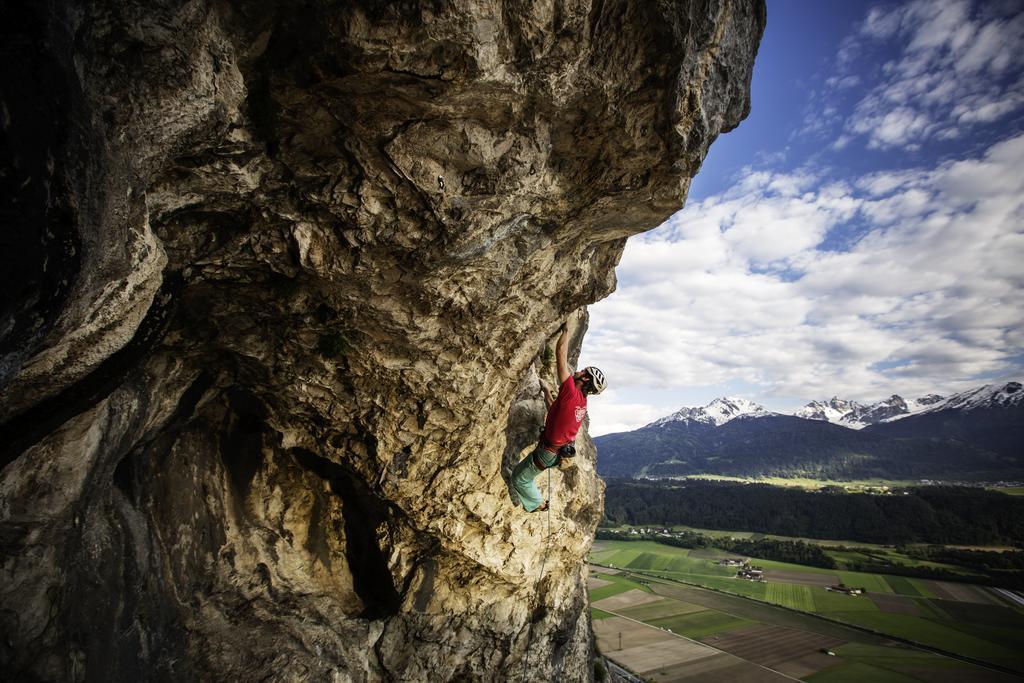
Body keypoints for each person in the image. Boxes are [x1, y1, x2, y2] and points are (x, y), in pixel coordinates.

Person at [512, 320, 606, 512]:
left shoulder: (571, 391)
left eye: (583, 371)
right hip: (557, 452)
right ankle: (536, 501)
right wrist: (547, 392)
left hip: (549, 452)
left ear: (585, 379)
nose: (578, 371)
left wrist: (566, 331)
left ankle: (538, 503)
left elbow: (561, 354)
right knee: (524, 475)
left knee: (519, 479)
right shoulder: (580, 401)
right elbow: (556, 412)